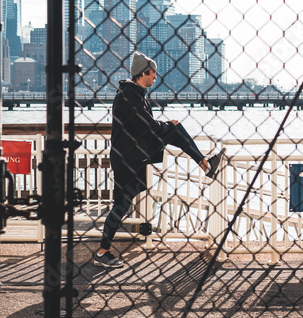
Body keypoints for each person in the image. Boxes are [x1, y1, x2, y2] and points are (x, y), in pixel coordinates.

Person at [94, 52, 226, 268]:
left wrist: (166, 126)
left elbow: (146, 125)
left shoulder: (135, 94)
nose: (155, 77)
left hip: (133, 154)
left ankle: (205, 164)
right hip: (129, 158)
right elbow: (148, 126)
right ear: (143, 73)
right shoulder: (130, 96)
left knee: (122, 205)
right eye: (153, 73)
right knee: (121, 205)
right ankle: (101, 252)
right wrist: (167, 126)